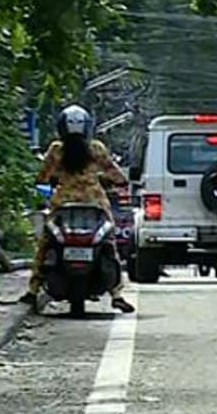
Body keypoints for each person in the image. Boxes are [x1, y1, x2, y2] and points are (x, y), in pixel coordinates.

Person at [19, 105, 136, 314]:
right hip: (95, 202)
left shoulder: (56, 149)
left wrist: (53, 180)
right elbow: (116, 174)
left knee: (45, 245)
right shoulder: (96, 148)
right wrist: (114, 181)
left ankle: (33, 290)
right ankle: (116, 294)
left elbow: (42, 177)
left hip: (63, 202)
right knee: (109, 245)